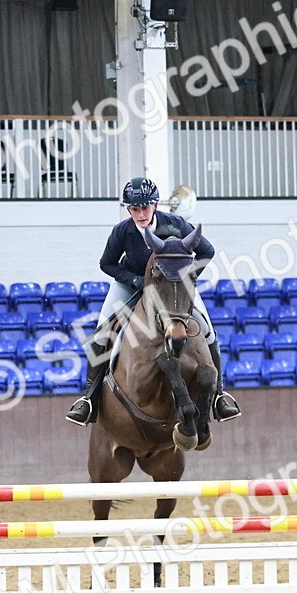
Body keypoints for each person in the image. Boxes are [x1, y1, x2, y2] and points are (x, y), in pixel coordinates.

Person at [66, 177, 241, 426]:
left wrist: (185, 280)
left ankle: (219, 396)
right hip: (131, 284)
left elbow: (207, 251)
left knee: (208, 331)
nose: (140, 214)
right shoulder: (123, 231)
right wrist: (136, 281)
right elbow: (106, 264)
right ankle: (88, 400)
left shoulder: (177, 224)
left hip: (173, 290)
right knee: (101, 334)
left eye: (144, 208)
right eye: (134, 209)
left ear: (156, 205)